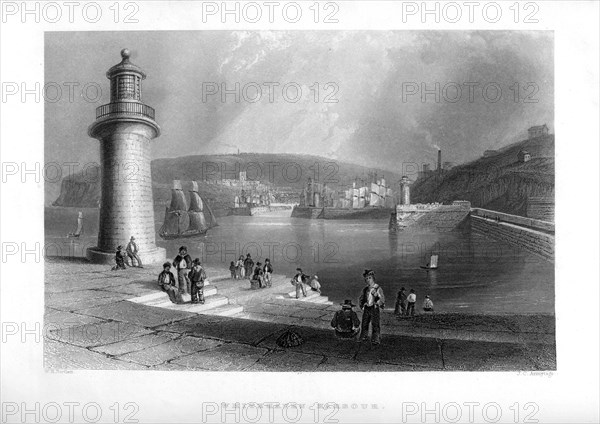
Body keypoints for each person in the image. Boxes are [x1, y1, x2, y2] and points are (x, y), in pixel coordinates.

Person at [358, 269, 385, 345]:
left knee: (375, 323)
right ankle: (363, 336)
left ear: (373, 278)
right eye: (366, 279)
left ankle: (375, 338)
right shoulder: (365, 289)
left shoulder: (378, 288)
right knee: (364, 323)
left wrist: (376, 296)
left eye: (369, 278)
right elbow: (361, 298)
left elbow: (382, 300)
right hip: (367, 308)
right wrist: (363, 305)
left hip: (374, 308)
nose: (368, 280)